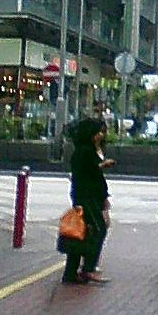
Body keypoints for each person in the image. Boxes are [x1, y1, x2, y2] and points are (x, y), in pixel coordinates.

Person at [60, 118, 111, 285]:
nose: (101, 135)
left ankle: (71, 272)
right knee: (97, 229)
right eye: (98, 132)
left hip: (88, 196)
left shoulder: (86, 149)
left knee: (81, 232)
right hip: (86, 197)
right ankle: (88, 268)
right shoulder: (84, 151)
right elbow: (87, 173)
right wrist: (101, 166)